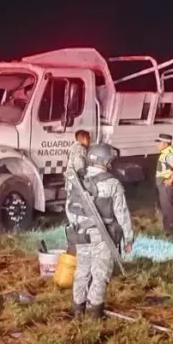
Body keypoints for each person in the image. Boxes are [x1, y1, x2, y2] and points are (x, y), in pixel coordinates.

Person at [65, 143, 134, 320]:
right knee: (100, 274)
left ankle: (77, 308)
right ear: (105, 160)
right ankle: (95, 313)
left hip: (80, 235)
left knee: (82, 271)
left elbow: (70, 208)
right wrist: (128, 237)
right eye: (110, 160)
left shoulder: (77, 181)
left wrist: (77, 226)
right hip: (102, 236)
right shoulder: (112, 183)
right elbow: (122, 212)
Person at [154, 133, 173, 237]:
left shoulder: (169, 154)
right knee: (166, 206)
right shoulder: (166, 152)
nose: (157, 145)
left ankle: (170, 231)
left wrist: (170, 179)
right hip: (164, 183)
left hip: (166, 184)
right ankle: (170, 228)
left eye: (159, 142)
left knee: (167, 207)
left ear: (165, 143)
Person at [63, 130, 91, 231]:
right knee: (78, 204)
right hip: (77, 182)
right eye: (88, 137)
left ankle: (72, 224)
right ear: (83, 138)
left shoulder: (72, 147)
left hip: (70, 181)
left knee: (70, 202)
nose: (90, 140)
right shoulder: (80, 149)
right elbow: (80, 167)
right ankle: (77, 225)